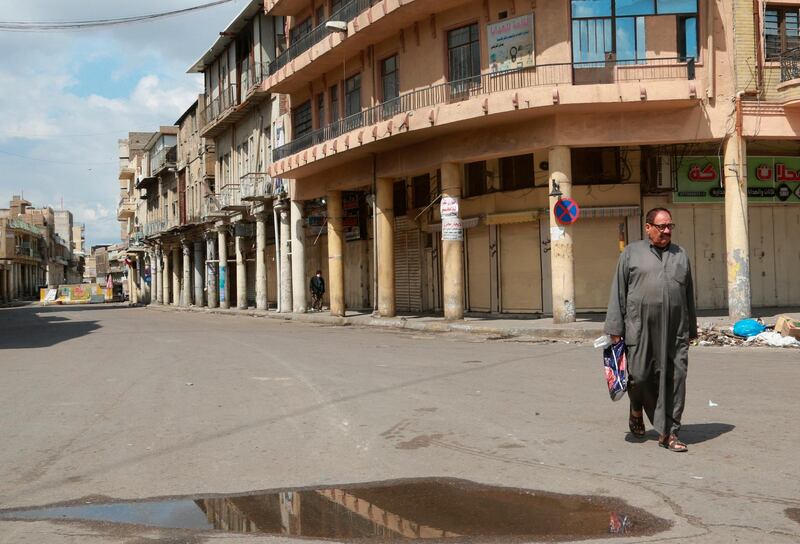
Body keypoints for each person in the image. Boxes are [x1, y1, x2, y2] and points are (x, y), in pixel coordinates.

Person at [604, 208, 697, 452]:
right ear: (648, 227)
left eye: (669, 226)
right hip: (639, 328)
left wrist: (691, 330)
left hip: (674, 331)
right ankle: (636, 409)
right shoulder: (631, 253)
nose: (666, 231)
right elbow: (618, 291)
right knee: (640, 377)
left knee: (676, 379)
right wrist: (615, 328)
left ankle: (670, 432)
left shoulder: (681, 255)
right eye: (661, 226)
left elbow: (688, 295)